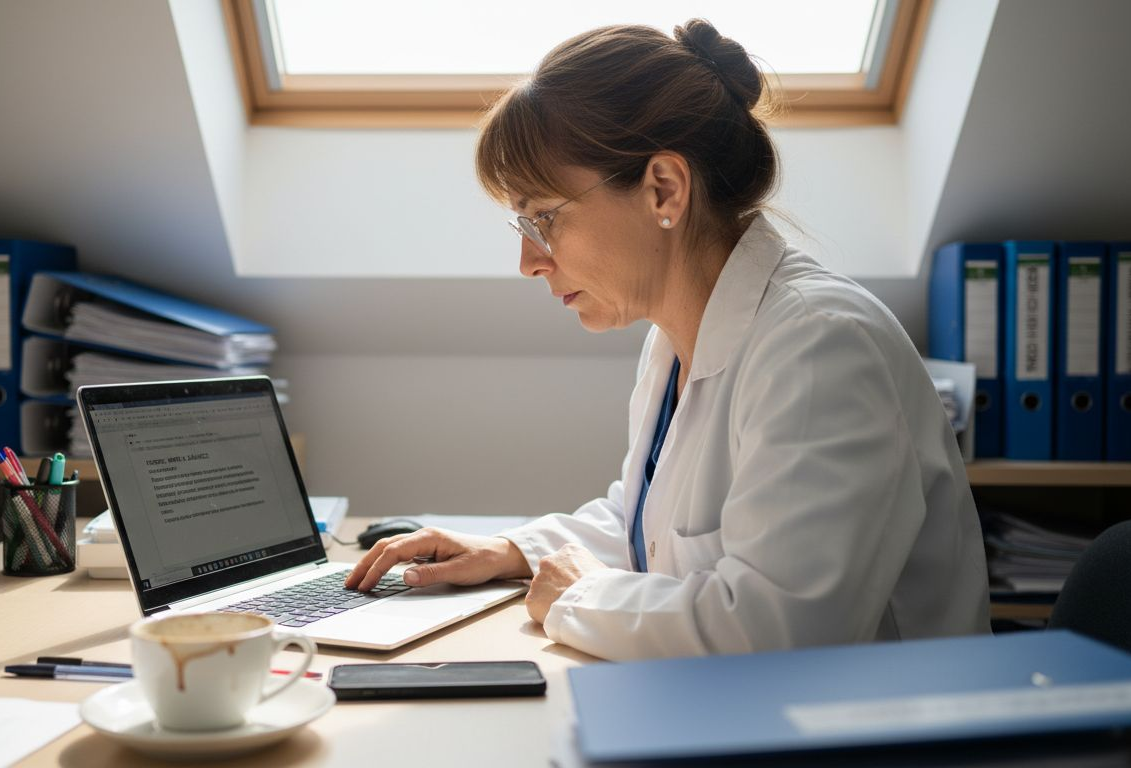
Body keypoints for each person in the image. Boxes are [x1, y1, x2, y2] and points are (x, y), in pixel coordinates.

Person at [346, 19, 990, 661]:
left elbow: (777, 630)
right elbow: (656, 525)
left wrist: (581, 597)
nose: (528, 260)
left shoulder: (822, 347)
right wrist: (513, 551)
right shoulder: (675, 338)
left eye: (543, 217)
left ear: (664, 189)